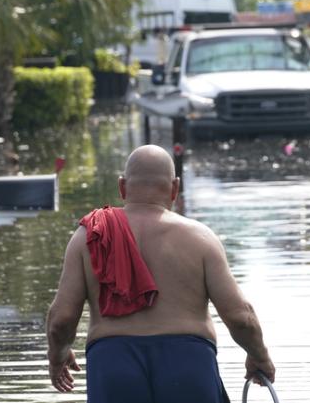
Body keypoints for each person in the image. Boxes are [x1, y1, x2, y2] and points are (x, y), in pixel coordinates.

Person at [46, 144, 274, 402]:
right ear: (175, 188)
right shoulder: (200, 239)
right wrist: (259, 356)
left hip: (113, 364)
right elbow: (241, 317)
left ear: (122, 187)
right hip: (188, 363)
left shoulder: (89, 237)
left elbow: (61, 320)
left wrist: (58, 356)